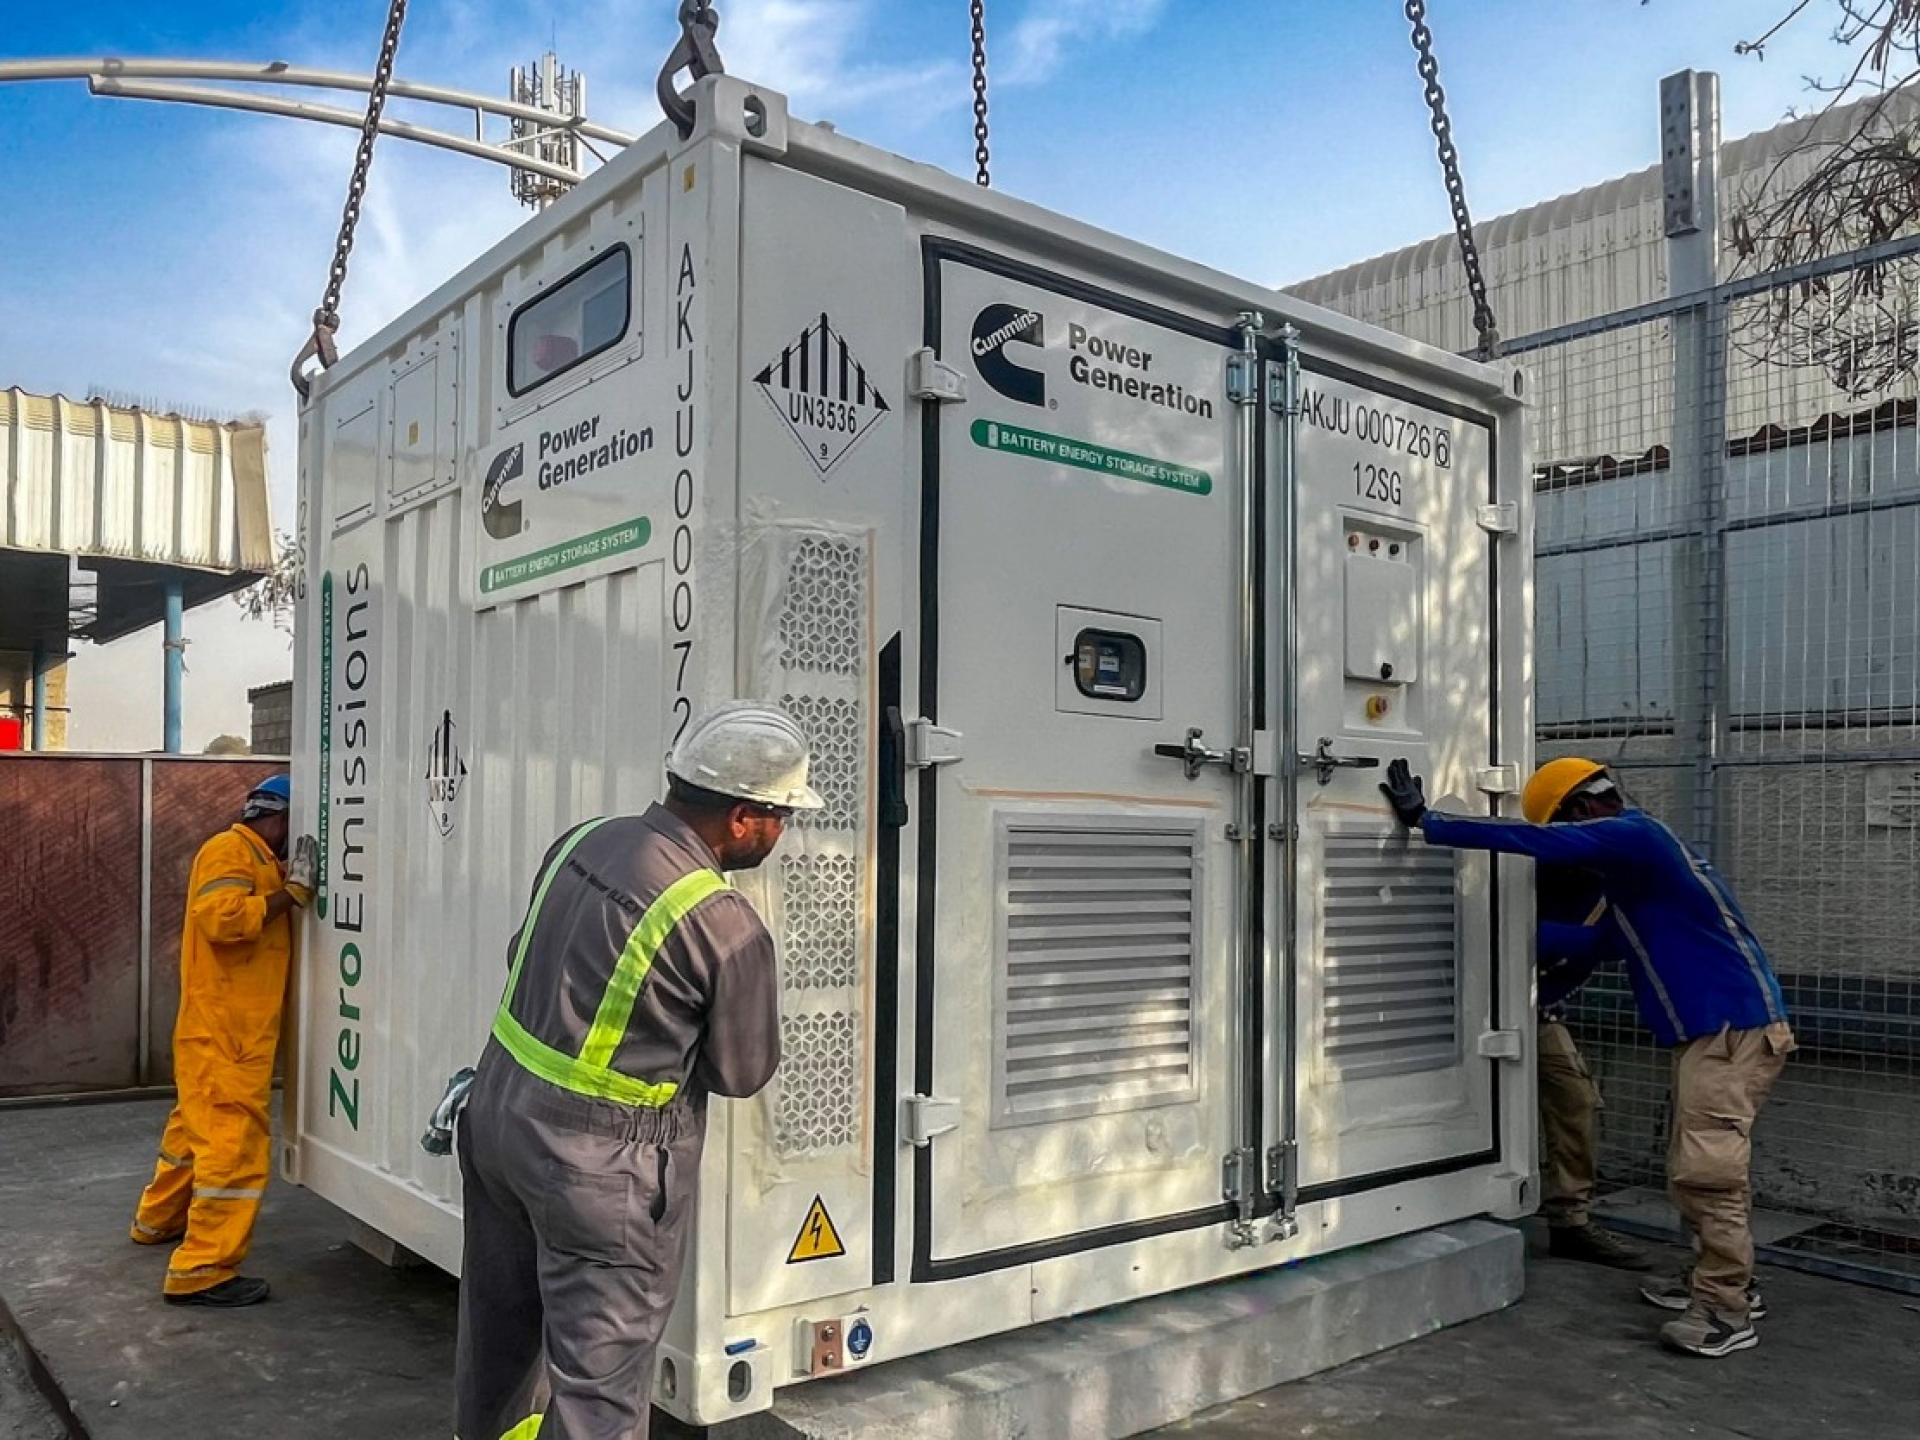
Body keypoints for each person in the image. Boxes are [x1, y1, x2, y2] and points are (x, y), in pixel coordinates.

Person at [454, 702, 819, 1440]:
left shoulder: (583, 840)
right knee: (599, 1391)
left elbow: (525, 954)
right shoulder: (725, 924)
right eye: (783, 815)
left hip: (495, 1119)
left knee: (499, 1338)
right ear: (744, 817)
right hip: (599, 1173)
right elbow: (740, 1071)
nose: (783, 832)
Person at [1381, 756, 1795, 1359]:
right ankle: (1720, 1280)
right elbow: (1583, 944)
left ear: (1583, 810)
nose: (1572, 853)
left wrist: (1430, 823)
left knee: (1707, 1175)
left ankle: (1725, 1310)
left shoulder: (1640, 836)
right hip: (1720, 1034)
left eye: (1571, 834)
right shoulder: (1640, 887)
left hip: (1732, 1033)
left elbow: (1535, 840)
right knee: (1700, 1169)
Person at [130, 773, 318, 1307]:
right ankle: (202, 1269)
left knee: (192, 1134)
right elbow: (222, 919)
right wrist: (291, 896)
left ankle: (156, 1221)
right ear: (278, 817)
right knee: (232, 1150)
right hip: (227, 1035)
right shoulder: (229, 850)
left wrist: (281, 883)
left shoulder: (253, 856)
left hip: (223, 1031)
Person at [1533, 864, 1650, 1271]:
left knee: (1576, 1099)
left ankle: (1570, 1220)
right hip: (1477, 1001)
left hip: (1539, 1013)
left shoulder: (1613, 893)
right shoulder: (1536, 868)